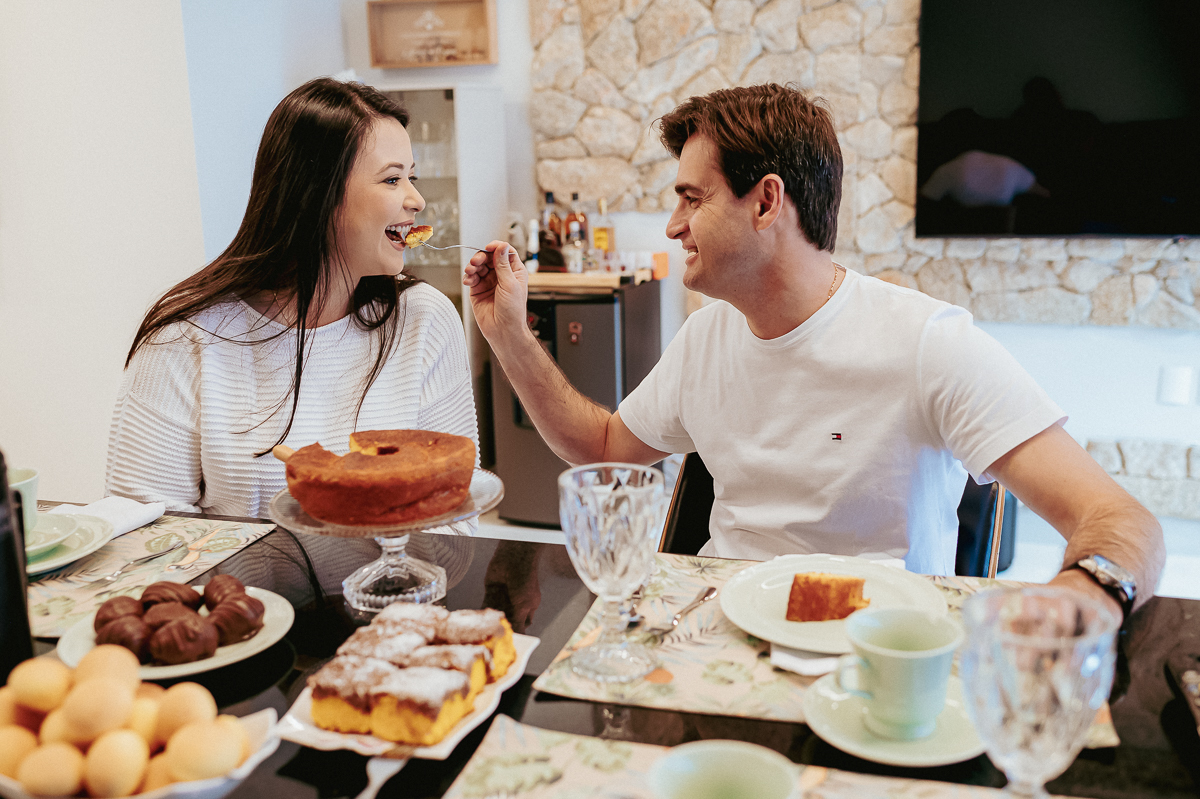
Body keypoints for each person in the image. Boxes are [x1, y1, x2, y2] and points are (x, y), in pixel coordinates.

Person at [464, 83, 1163, 620]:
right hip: (720, 640)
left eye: (691, 198)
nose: (673, 225)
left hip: (876, 650)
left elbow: (1120, 521)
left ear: (767, 202)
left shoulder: (927, 343)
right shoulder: (706, 336)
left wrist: (1086, 597)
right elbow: (607, 447)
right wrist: (509, 333)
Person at [106, 78, 477, 525]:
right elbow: (147, 534)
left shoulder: (426, 318)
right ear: (317, 193)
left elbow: (457, 512)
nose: (416, 199)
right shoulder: (183, 339)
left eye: (411, 177)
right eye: (392, 179)